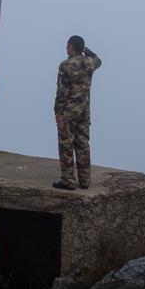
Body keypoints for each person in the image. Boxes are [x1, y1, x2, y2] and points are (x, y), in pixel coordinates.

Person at [53, 35, 101, 190]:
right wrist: (86, 50)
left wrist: (58, 113)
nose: (66, 48)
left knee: (66, 145)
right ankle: (85, 180)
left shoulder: (65, 65)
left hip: (68, 112)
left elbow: (61, 92)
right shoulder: (89, 63)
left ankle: (68, 180)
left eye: (68, 45)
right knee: (83, 145)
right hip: (84, 112)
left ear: (71, 47)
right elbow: (97, 59)